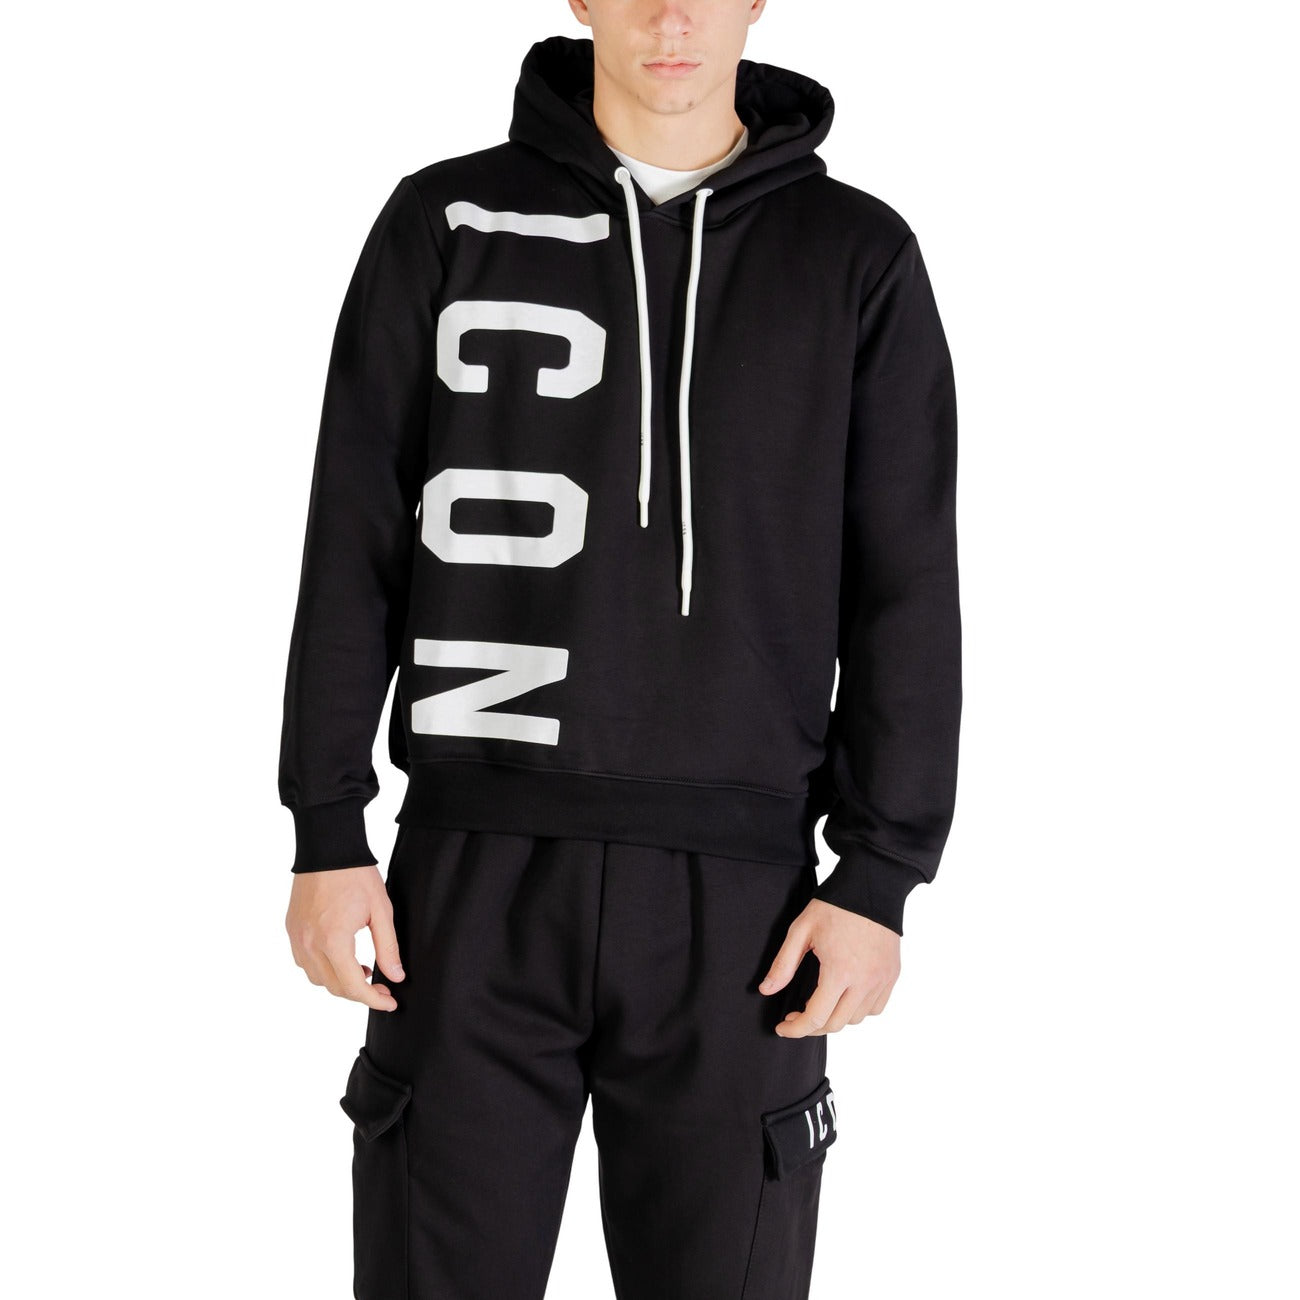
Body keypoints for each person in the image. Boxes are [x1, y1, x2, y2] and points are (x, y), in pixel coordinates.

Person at [279, 4, 961, 1297]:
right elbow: (352, 534)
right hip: (468, 887)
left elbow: (906, 587)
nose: (672, 16)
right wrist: (326, 829)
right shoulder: (444, 222)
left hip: (745, 912)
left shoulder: (855, 255)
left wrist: (881, 875)